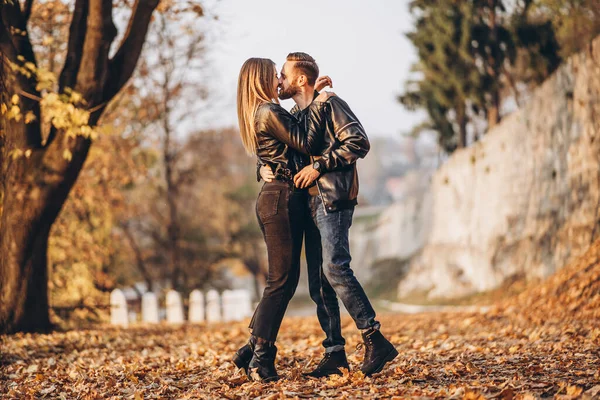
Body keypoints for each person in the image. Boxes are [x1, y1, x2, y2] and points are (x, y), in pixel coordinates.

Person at [259, 52, 398, 378]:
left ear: (300, 79)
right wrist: (262, 166)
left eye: (284, 74)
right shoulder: (297, 114)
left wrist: (318, 166)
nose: (279, 79)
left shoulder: (331, 104)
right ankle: (335, 353)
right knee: (319, 284)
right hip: (306, 205)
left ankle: (374, 337)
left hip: (331, 200)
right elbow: (286, 147)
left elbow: (358, 141)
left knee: (335, 268)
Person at [232, 57, 333, 382]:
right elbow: (308, 143)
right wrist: (318, 99)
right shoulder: (269, 111)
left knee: (284, 282)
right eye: (274, 73)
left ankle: (252, 348)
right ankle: (261, 360)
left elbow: (278, 153)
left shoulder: (263, 113)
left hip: (279, 198)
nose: (279, 78)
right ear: (262, 77)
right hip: (281, 201)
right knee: (280, 282)